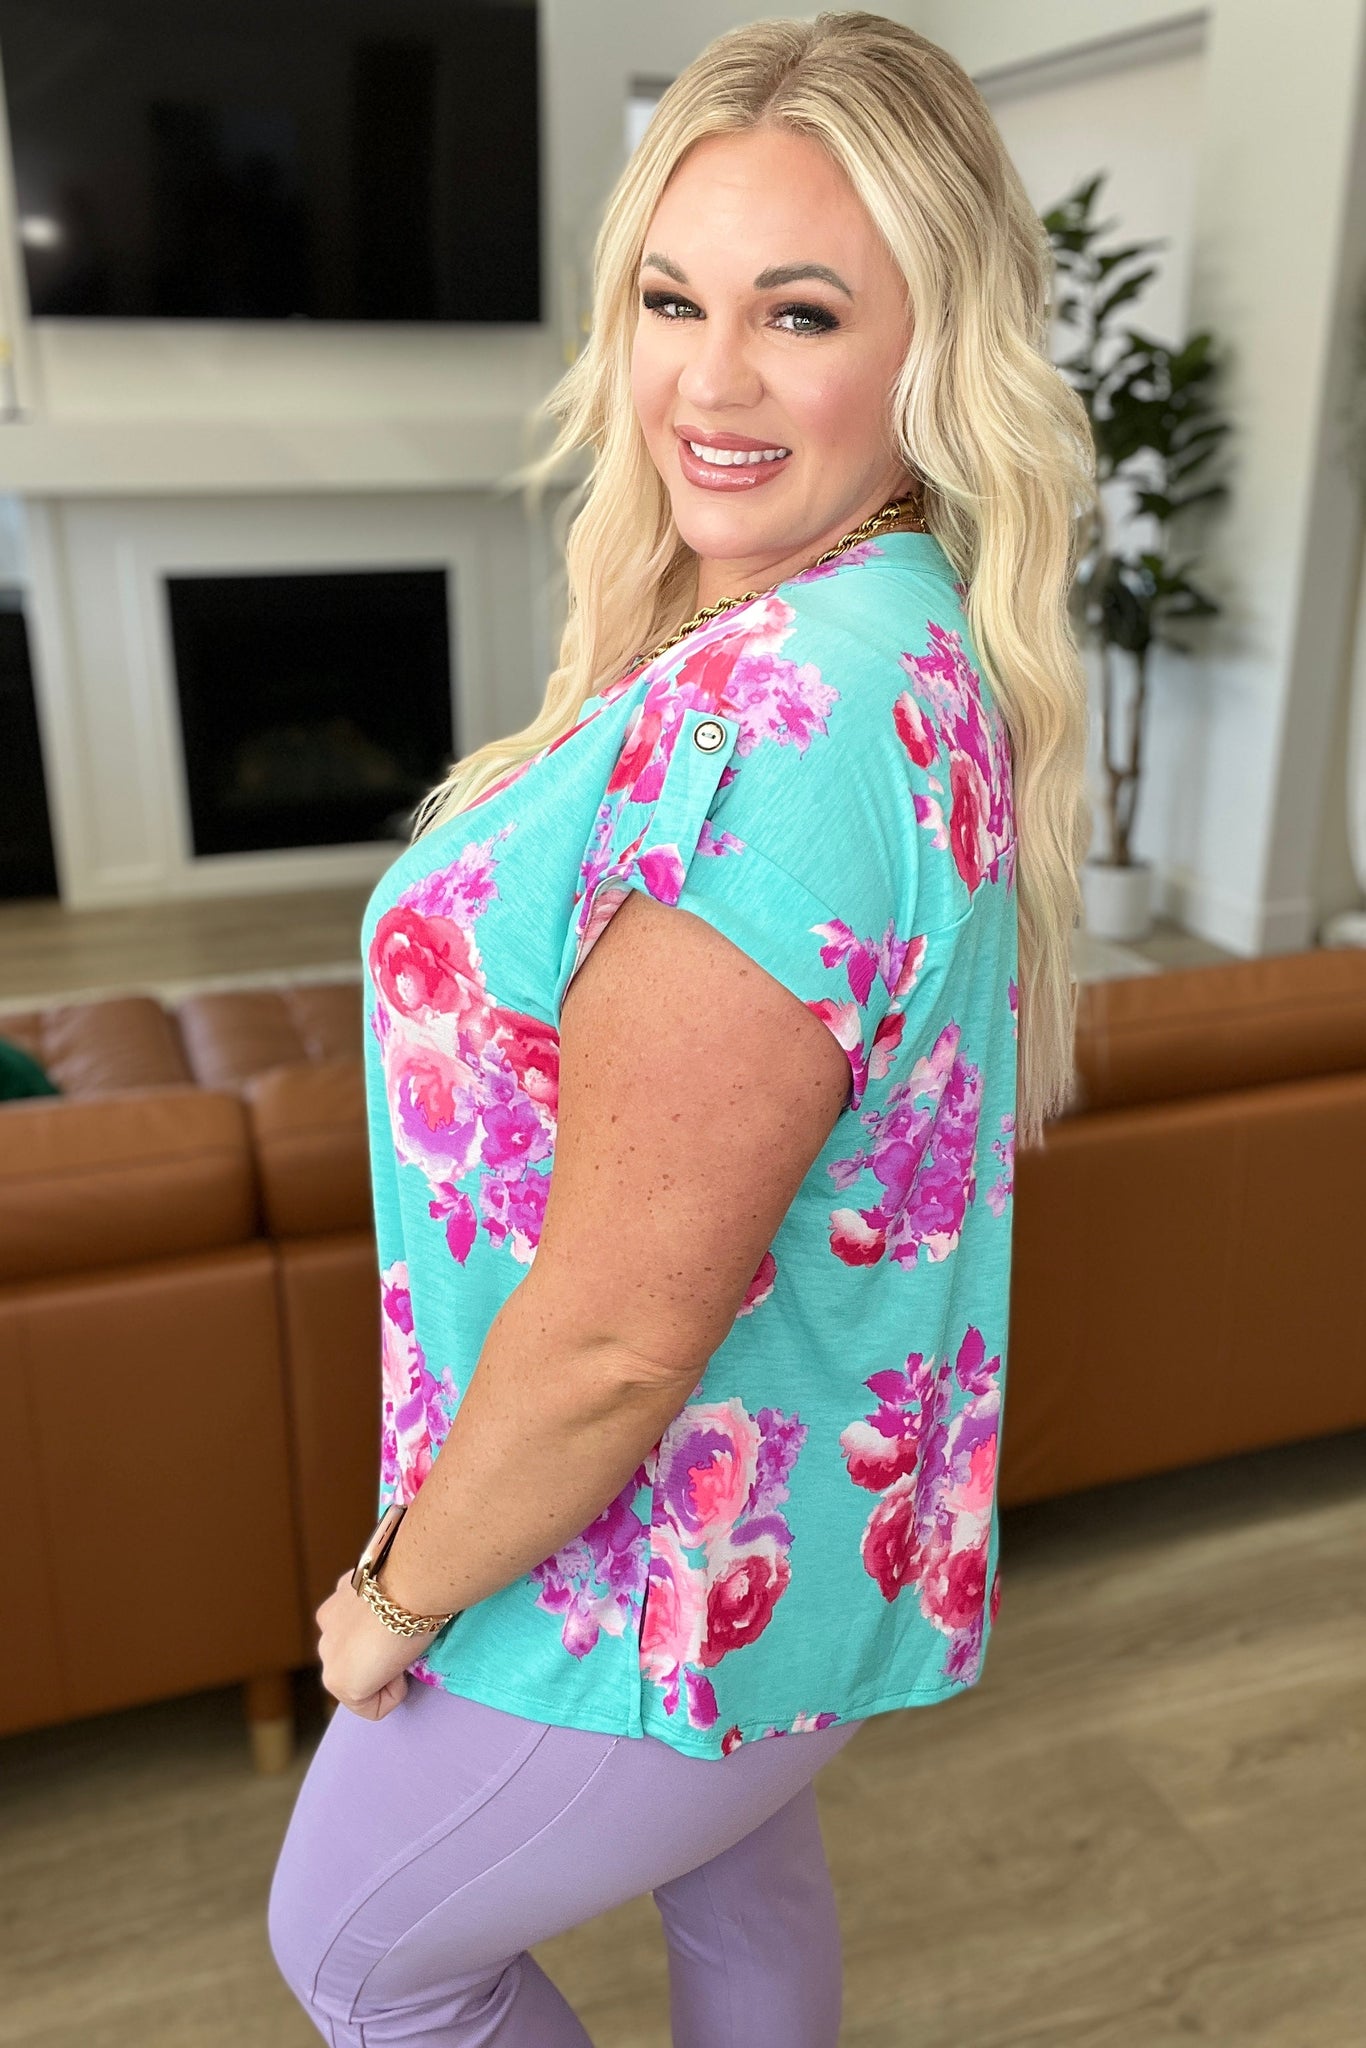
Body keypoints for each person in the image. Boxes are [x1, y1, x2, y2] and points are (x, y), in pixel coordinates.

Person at [267, 11, 1094, 2044]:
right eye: (669, 299)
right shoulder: (892, 629)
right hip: (769, 1548)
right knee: (740, 1893)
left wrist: (389, 1595)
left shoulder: (780, 726)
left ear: (932, 345)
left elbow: (621, 1338)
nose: (707, 382)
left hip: (626, 1563)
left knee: (360, 1954)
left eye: (797, 313)